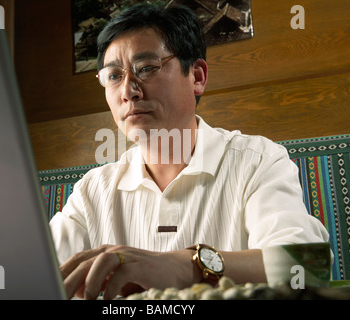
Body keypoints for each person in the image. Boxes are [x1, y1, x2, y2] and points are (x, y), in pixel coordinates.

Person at [49, 4, 329, 300]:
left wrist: (190, 265)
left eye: (146, 68)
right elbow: (32, 277)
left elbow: (306, 270)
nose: (128, 91)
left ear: (196, 76)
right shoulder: (93, 190)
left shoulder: (257, 161)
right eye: (113, 76)